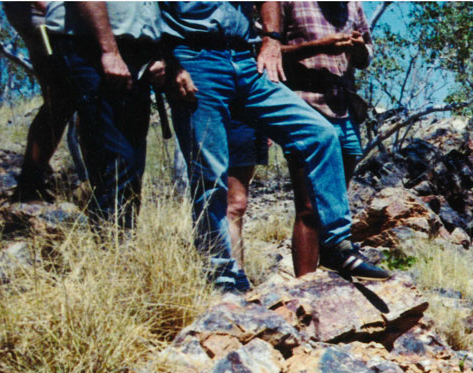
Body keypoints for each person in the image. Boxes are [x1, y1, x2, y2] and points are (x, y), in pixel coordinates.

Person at [159, 0, 388, 291]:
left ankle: (336, 245)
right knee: (211, 176)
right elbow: (149, 9)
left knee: (320, 134)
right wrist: (167, 60)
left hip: (244, 57)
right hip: (194, 57)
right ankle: (222, 277)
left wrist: (271, 39)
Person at [275, 0, 370, 277]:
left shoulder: (352, 5)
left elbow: (365, 57)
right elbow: (269, 51)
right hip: (305, 107)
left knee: (333, 203)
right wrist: (319, 47)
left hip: (344, 108)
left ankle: (330, 271)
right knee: (309, 206)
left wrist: (358, 47)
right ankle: (305, 287)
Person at [47, 1, 162, 227]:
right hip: (90, 45)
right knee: (114, 155)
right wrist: (109, 51)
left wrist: (156, 51)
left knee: (132, 158)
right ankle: (113, 239)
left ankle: (121, 236)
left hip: (134, 50)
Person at [3, 2, 75, 202]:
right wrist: (48, 8)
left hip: (50, 17)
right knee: (60, 99)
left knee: (63, 100)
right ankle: (31, 182)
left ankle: (33, 179)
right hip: (45, 19)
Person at [226, 118, 267, 278]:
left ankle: (237, 270)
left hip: (248, 120)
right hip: (219, 117)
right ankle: (233, 273)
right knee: (232, 203)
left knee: (238, 203)